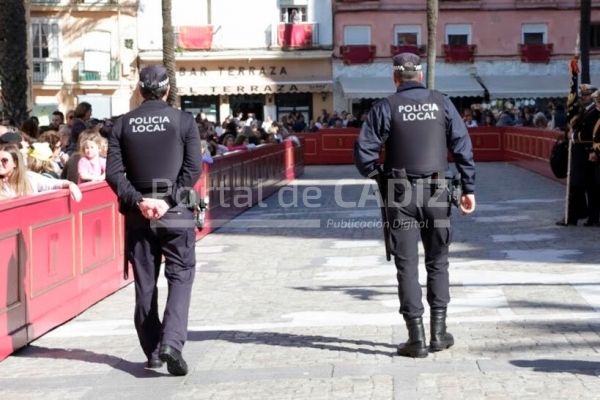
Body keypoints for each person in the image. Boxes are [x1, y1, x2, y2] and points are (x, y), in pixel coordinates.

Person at [354, 53, 476, 358]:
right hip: (436, 189)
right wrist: (468, 187)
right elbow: (462, 146)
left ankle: (416, 338)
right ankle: (439, 333)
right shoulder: (442, 102)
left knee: (406, 264)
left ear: (395, 78)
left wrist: (381, 178)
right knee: (438, 260)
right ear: (419, 75)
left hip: (400, 191)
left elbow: (363, 153)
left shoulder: (385, 107)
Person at [106, 64, 202, 376]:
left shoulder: (122, 124)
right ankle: (172, 343)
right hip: (175, 212)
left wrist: (139, 201)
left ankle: (153, 351)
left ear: (140, 89)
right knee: (181, 276)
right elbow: (192, 170)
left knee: (145, 283)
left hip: (138, 215)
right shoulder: (184, 121)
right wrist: (167, 201)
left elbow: (113, 174)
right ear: (166, 90)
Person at [0, 144, 81, 201]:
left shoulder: (29, 177)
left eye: (4, 160)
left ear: (15, 163)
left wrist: (71, 185)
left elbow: (55, 184)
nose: (0, 163)